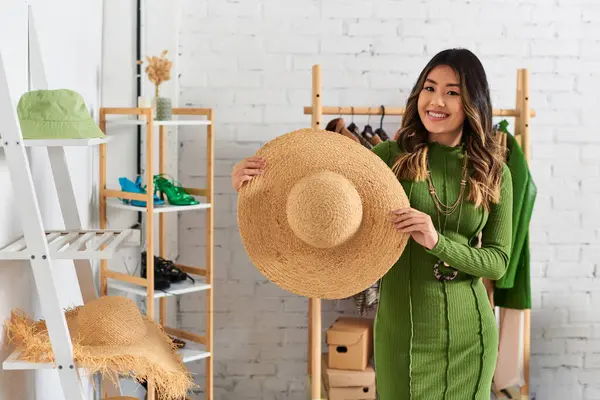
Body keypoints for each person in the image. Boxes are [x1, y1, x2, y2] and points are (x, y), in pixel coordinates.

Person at [231, 48, 513, 400]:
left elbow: (499, 263)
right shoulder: (389, 158)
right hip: (402, 334)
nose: (436, 100)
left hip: (470, 336)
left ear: (473, 101)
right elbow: (323, 198)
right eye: (429, 88)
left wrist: (436, 241)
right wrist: (254, 183)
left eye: (452, 92)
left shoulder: (493, 170)